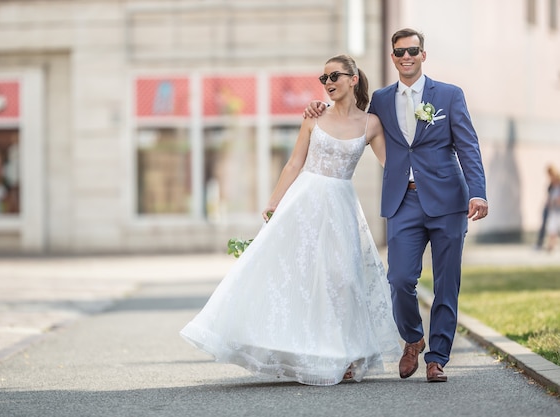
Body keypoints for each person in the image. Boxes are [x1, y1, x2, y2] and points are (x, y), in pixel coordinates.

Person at [180, 54, 402, 386]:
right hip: (305, 200)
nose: (327, 84)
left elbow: (392, 166)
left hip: (341, 205)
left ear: (353, 79)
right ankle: (302, 351)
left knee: (343, 278)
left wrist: (420, 182)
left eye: (334, 77)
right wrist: (274, 202)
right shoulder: (314, 118)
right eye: (323, 79)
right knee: (296, 274)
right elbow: (294, 164)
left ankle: (346, 351)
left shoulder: (371, 124)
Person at [304, 28, 488, 383]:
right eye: (400, 52)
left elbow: (468, 146)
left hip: (449, 201)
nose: (406, 57)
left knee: (447, 283)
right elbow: (350, 115)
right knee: (400, 279)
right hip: (404, 201)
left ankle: (437, 358)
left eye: (413, 51)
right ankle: (413, 338)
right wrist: (320, 105)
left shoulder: (449, 96)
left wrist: (477, 192)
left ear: (423, 54)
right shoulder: (383, 100)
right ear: (392, 57)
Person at [535, 165, 557, 250]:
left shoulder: (557, 182)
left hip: (556, 208)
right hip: (550, 207)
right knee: (550, 226)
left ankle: (550, 245)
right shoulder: (551, 184)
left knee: (554, 226)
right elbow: (549, 196)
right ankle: (544, 243)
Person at [544, 167, 560, 252]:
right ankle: (551, 245)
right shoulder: (551, 186)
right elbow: (549, 197)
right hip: (553, 210)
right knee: (552, 228)